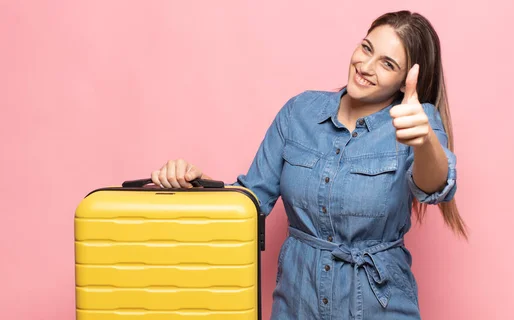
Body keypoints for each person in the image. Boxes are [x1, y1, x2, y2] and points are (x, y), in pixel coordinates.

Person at [151, 10, 467, 320]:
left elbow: (437, 187)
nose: (365, 66)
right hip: (296, 303)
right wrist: (196, 183)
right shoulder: (299, 111)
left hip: (379, 306)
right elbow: (249, 203)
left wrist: (423, 139)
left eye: (387, 64)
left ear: (403, 81)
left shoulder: (418, 120)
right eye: (366, 48)